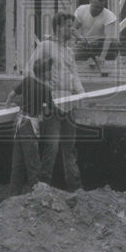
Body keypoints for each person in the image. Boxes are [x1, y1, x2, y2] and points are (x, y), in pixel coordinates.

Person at [29, 12, 84, 191]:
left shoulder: (68, 51)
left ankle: (75, 188)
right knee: (51, 148)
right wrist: (42, 94)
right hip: (52, 105)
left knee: (70, 150)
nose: (72, 30)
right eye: (68, 26)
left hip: (68, 105)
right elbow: (30, 70)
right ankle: (43, 186)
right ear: (59, 28)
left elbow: (74, 75)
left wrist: (81, 93)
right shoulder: (46, 47)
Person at [4, 56, 57, 195]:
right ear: (44, 72)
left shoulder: (27, 81)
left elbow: (11, 95)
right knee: (33, 162)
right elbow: (48, 111)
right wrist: (44, 107)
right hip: (29, 127)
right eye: (50, 70)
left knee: (18, 162)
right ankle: (38, 196)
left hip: (20, 122)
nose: (52, 73)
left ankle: (13, 196)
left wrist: (7, 107)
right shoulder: (45, 89)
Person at [73, 0, 122, 68]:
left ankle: (100, 59)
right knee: (73, 56)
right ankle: (90, 58)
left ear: (104, 4)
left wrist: (102, 56)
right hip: (86, 43)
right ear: (91, 1)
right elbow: (74, 29)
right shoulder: (81, 10)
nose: (97, 10)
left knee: (116, 44)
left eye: (100, 7)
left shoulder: (109, 16)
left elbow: (108, 38)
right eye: (95, 6)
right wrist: (80, 38)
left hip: (100, 44)